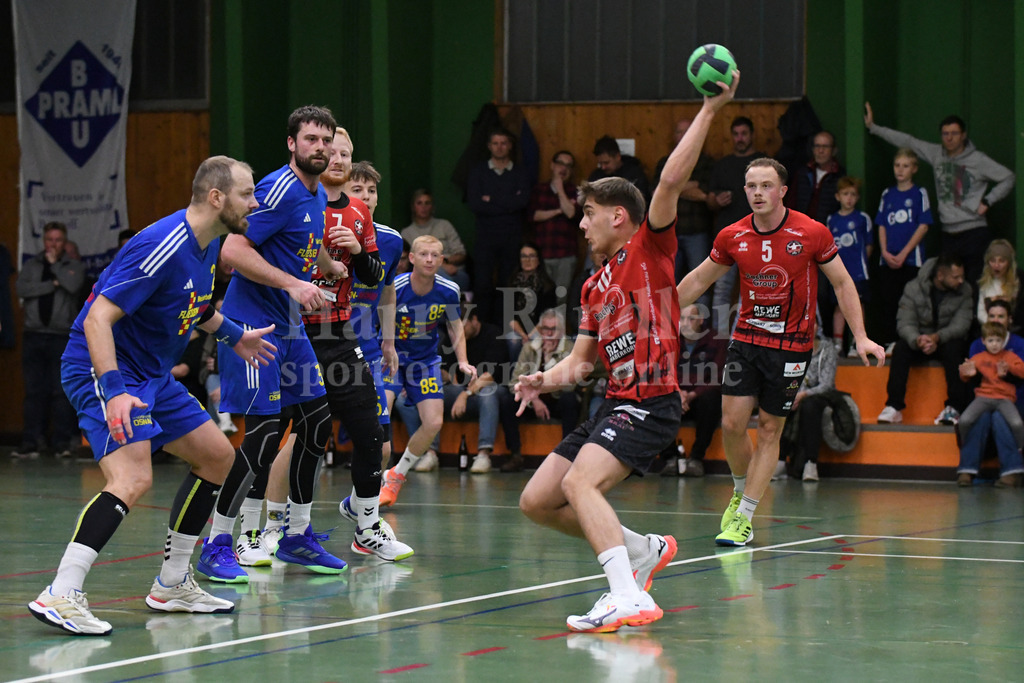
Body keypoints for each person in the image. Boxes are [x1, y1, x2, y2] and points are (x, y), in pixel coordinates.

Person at [514, 73, 741, 634]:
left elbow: (668, 180)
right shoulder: (593, 286)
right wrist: (543, 378)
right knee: (538, 499)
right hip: (612, 403)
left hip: (651, 402)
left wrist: (711, 109)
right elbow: (581, 363)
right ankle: (643, 551)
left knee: (578, 485)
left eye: (588, 212)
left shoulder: (650, 248)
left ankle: (626, 596)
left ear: (618, 215)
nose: (582, 221)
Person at [28, 156, 275, 636]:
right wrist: (115, 392)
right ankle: (61, 591)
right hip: (103, 368)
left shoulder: (208, 246)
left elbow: (192, 306)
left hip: (154, 375)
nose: (255, 201)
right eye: (247, 192)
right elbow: (99, 317)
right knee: (132, 476)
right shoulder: (161, 244)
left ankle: (172, 583)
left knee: (218, 458)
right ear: (216, 197)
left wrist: (234, 335)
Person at [677, 156, 886, 547]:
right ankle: (741, 490)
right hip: (747, 341)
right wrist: (659, 315)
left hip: (791, 347)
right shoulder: (732, 235)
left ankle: (745, 516)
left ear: (783, 191)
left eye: (766, 186)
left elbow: (842, 284)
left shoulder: (812, 233)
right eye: (751, 186)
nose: (758, 193)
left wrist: (860, 337)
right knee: (734, 423)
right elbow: (701, 278)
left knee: (771, 429)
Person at [241, 139, 414, 565]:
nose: (336, 158)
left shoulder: (359, 216)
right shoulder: (297, 201)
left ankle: (368, 526)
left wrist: (355, 253)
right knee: (284, 434)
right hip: (289, 330)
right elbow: (249, 249)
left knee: (371, 430)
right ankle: (267, 528)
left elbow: (376, 279)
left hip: (338, 331)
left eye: (345, 153)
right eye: (330, 151)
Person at [209, 106, 350, 583]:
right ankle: (217, 542)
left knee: (316, 422)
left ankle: (295, 536)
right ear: (292, 144)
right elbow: (231, 250)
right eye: (310, 139)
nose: (321, 148)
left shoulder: (313, 194)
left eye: (326, 140)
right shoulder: (278, 189)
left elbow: (303, 234)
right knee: (265, 434)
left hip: (289, 329)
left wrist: (327, 264)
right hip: (254, 329)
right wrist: (293, 283)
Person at [864, 103, 1015, 285]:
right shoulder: (936, 154)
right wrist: (874, 128)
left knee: (975, 282)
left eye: (954, 133)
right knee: (948, 284)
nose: (949, 138)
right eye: (945, 134)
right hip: (948, 233)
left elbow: (1008, 177)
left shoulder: (977, 160)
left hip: (974, 231)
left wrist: (988, 201)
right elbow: (908, 142)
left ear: (963, 135)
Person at [379, 235, 476, 503]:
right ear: (411, 258)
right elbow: (375, 318)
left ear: (442, 260)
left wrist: (463, 360)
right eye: (423, 254)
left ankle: (396, 475)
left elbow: (455, 326)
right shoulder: (394, 287)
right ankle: (371, 482)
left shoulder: (449, 290)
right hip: (392, 359)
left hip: (425, 362)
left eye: (435, 256)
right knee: (380, 418)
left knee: (434, 422)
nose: (429, 260)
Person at [877, 253, 972, 426]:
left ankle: (954, 407)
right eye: (955, 277)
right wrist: (917, 339)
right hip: (920, 340)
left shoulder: (965, 291)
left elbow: (962, 324)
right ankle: (894, 406)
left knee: (956, 348)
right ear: (940, 275)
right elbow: (905, 321)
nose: (960, 281)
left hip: (945, 340)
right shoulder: (914, 288)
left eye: (962, 276)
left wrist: (937, 337)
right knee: (901, 348)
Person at [15, 221, 85, 458]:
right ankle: (32, 441)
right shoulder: (32, 265)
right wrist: (52, 283)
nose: (53, 245)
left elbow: (73, 285)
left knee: (61, 391)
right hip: (34, 334)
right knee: (34, 392)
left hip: (61, 336)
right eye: (49, 240)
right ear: (43, 241)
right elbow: (22, 289)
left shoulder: (73, 265)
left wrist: (56, 269)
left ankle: (62, 443)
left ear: (64, 243)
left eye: (57, 240)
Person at [706, 116, 767, 333]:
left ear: (752, 135)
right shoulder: (723, 165)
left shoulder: (764, 164)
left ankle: (741, 339)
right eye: (736, 134)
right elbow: (710, 200)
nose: (740, 139)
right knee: (722, 289)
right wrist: (717, 200)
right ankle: (719, 341)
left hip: (758, 237)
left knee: (750, 291)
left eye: (744, 134)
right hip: (728, 238)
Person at [466, 128, 531, 323]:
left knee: (508, 285)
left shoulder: (520, 172)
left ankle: (505, 327)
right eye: (496, 143)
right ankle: (482, 326)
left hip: (512, 237)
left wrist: (491, 199)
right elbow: (476, 204)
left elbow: (522, 202)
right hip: (485, 237)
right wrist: (508, 201)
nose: (500, 147)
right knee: (482, 284)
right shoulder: (478, 172)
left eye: (504, 143)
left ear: (510, 146)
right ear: (489, 146)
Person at [874, 148, 933, 352]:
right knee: (889, 301)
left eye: (905, 166)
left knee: (910, 302)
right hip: (888, 259)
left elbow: (923, 225)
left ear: (914, 169)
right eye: (897, 165)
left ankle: (908, 343)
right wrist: (884, 251)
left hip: (910, 260)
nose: (900, 170)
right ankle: (890, 342)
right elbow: (881, 224)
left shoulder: (919, 193)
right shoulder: (887, 194)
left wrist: (904, 253)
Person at [661, 304, 725, 479]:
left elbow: (717, 377)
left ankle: (696, 459)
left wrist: (692, 394)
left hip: (700, 400)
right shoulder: (671, 341)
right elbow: (663, 371)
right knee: (658, 397)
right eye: (681, 319)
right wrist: (678, 392)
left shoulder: (715, 340)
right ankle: (670, 459)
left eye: (691, 319)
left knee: (713, 399)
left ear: (701, 320)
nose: (685, 323)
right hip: (676, 396)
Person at [957, 321, 1024, 488]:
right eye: (991, 341)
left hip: (1004, 399)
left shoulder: (1010, 356)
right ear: (984, 341)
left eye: (998, 341)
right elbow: (966, 375)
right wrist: (967, 374)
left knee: (1014, 422)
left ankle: (1018, 454)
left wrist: (1009, 370)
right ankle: (967, 465)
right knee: (965, 420)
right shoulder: (979, 357)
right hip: (984, 397)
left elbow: (1022, 371)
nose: (994, 345)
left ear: (1004, 341)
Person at [653, 118, 715, 288]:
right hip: (669, 233)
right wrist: (690, 186)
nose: (683, 136)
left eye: (687, 132)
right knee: (665, 283)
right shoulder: (664, 163)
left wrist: (672, 187)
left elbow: (705, 194)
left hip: (698, 231)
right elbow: (656, 194)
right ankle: (666, 316)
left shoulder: (706, 163)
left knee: (701, 283)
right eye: (679, 132)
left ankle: (702, 315)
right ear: (674, 136)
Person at [509, 308, 580, 442]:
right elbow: (514, 383)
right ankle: (515, 454)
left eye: (553, 329)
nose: (549, 333)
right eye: (545, 328)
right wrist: (534, 400)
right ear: (540, 330)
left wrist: (549, 361)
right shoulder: (529, 348)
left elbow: (570, 386)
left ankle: (567, 450)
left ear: (562, 330)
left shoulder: (570, 349)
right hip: (531, 401)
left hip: (556, 401)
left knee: (569, 399)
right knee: (508, 401)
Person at [775, 333, 838, 482]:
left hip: (821, 396)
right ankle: (780, 461)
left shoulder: (827, 349)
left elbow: (826, 385)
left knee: (809, 407)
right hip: (796, 394)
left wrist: (803, 394)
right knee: (783, 404)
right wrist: (792, 395)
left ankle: (811, 463)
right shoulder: (790, 347)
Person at [824, 177, 872, 355]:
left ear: (858, 197)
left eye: (853, 194)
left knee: (857, 305)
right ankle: (838, 344)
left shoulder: (862, 218)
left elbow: (868, 246)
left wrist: (860, 264)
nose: (849, 198)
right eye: (845, 194)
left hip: (858, 273)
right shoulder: (832, 220)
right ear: (838, 196)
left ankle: (857, 342)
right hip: (837, 273)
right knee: (839, 306)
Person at [529, 150, 581, 297]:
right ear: (552, 165)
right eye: (560, 164)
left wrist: (560, 190)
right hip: (541, 253)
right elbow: (534, 215)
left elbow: (571, 212)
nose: (563, 169)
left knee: (561, 299)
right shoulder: (539, 190)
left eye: (568, 166)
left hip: (566, 255)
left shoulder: (574, 192)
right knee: (539, 297)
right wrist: (559, 210)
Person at [401, 189, 470, 292]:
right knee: (436, 276)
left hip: (454, 272)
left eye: (427, 203)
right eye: (419, 203)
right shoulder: (406, 233)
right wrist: (441, 265)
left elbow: (461, 254)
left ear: (432, 206)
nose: (423, 207)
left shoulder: (444, 225)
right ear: (413, 207)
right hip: (426, 275)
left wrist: (446, 262)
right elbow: (411, 261)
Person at [505, 241, 557, 360]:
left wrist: (530, 335)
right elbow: (509, 316)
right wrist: (523, 335)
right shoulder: (512, 283)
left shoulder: (548, 285)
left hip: (540, 328)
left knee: (536, 340)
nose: (527, 260)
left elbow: (547, 317)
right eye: (524, 256)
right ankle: (515, 376)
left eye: (531, 256)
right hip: (517, 329)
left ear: (538, 260)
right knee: (513, 341)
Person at [788, 130, 845, 224]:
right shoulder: (803, 173)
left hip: (827, 230)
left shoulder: (839, 176)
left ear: (834, 151)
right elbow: (791, 203)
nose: (820, 151)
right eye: (817, 146)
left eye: (825, 146)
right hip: (802, 229)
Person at [587, 135, 650, 200]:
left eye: (606, 163)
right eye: (600, 164)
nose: (603, 167)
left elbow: (641, 200)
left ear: (618, 157)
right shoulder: (596, 177)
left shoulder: (635, 175)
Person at [975, 239, 1021, 324]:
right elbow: (980, 313)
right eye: (992, 261)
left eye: (1002, 261)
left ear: (1008, 263)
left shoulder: (1017, 283)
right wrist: (994, 326)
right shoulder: (984, 283)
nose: (996, 265)